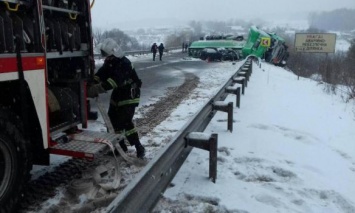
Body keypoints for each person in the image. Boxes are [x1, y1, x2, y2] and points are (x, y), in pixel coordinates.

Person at [87, 38, 145, 159]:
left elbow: (113, 82)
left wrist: (95, 89)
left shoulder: (124, 64)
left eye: (106, 54)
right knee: (111, 122)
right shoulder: (110, 62)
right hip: (118, 94)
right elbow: (102, 74)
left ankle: (138, 147)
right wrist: (92, 81)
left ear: (113, 52)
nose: (105, 57)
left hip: (130, 94)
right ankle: (120, 147)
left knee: (124, 122)